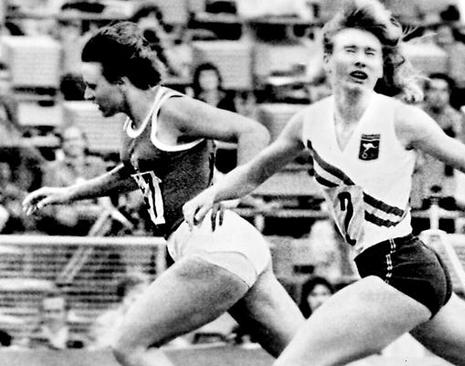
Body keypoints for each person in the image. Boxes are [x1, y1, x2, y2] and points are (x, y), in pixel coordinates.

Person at [182, 1, 465, 365]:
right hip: (395, 274)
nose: (360, 60)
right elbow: (257, 170)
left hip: (404, 270)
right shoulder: (307, 122)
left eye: (370, 53)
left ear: (382, 67)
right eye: (350, 50)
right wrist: (213, 193)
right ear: (327, 58)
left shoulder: (402, 119)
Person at [22, 21, 304, 366]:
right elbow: (130, 175)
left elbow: (252, 132)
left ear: (121, 82)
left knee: (129, 345)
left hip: (216, 246)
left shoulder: (171, 110)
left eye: (93, 86)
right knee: (307, 358)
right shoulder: (131, 126)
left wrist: (231, 192)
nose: (87, 95)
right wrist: (69, 193)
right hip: (228, 247)